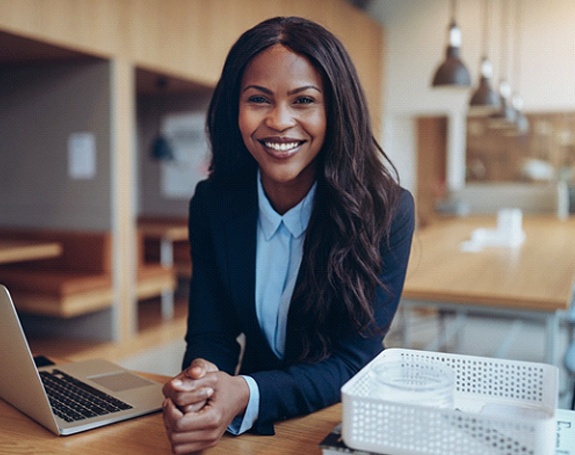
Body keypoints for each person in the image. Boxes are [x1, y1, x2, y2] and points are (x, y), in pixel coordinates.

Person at [161, 16, 415, 454]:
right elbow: (211, 332)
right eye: (259, 99)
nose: (279, 121)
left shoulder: (386, 211)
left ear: (335, 111)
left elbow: (355, 359)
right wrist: (200, 386)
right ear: (234, 110)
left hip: (335, 421)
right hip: (250, 428)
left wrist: (243, 392)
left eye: (303, 101)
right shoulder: (213, 203)